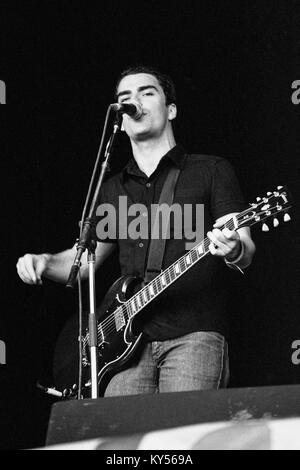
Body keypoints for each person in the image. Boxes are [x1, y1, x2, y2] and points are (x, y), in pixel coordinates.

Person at [16, 65, 256, 397]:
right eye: (125, 98)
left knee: (180, 439)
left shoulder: (210, 170)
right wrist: (43, 261)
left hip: (194, 334)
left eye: (147, 92)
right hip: (126, 349)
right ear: (121, 119)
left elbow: (243, 244)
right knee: (122, 440)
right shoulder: (111, 187)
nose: (134, 101)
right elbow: (85, 262)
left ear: (171, 109)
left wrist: (234, 249)